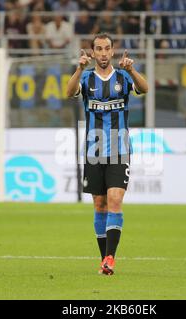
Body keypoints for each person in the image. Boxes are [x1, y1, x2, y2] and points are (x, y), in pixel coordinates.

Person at [66, 33, 148, 275]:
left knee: (114, 199)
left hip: (120, 149)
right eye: (98, 49)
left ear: (112, 51)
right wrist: (78, 69)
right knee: (99, 204)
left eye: (107, 48)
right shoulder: (88, 78)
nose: (103, 53)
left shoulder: (122, 76)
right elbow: (69, 92)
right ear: (93, 52)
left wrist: (132, 70)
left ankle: (110, 258)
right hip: (93, 150)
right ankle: (105, 259)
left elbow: (144, 88)